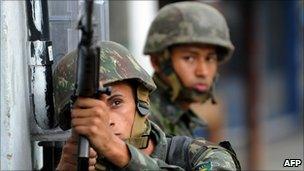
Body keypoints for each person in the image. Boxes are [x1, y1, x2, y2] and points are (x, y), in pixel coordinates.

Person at [53, 41, 240, 170]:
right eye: (88, 110)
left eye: (116, 102)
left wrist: (121, 153)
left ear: (141, 101)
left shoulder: (199, 156)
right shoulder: (64, 163)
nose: (104, 119)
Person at [143, 1, 234, 140]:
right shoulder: (143, 121)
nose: (203, 72)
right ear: (157, 62)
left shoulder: (181, 116)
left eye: (210, 58)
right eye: (189, 58)